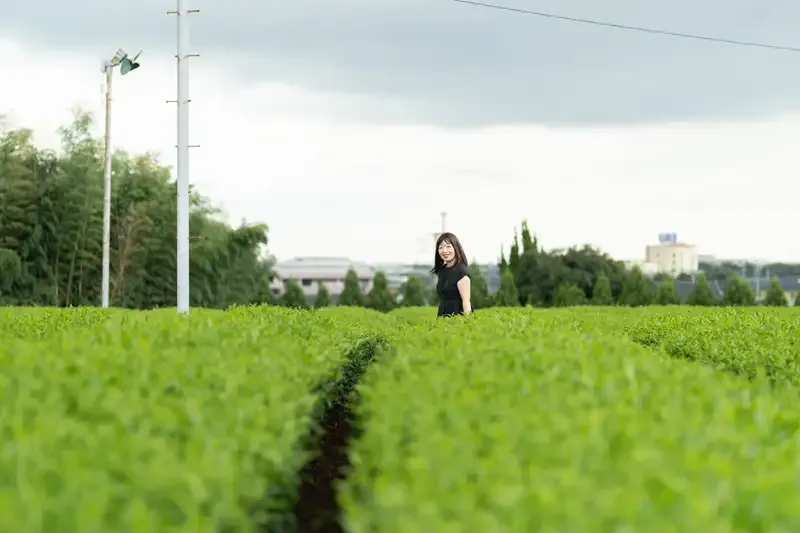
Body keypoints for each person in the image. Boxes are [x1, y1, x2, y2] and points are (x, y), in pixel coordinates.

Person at [430, 232, 472, 317]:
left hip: (457, 320)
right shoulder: (442, 270)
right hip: (443, 318)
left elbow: (466, 301)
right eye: (441, 247)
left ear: (456, 248)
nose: (444, 251)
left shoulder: (461, 271)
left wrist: (468, 324)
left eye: (448, 246)